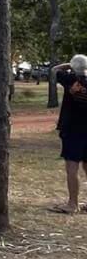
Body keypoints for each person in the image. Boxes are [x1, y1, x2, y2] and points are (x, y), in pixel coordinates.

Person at [51, 54, 87, 214]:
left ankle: (73, 204)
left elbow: (55, 69)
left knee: (72, 168)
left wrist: (70, 65)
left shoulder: (69, 79)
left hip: (73, 130)